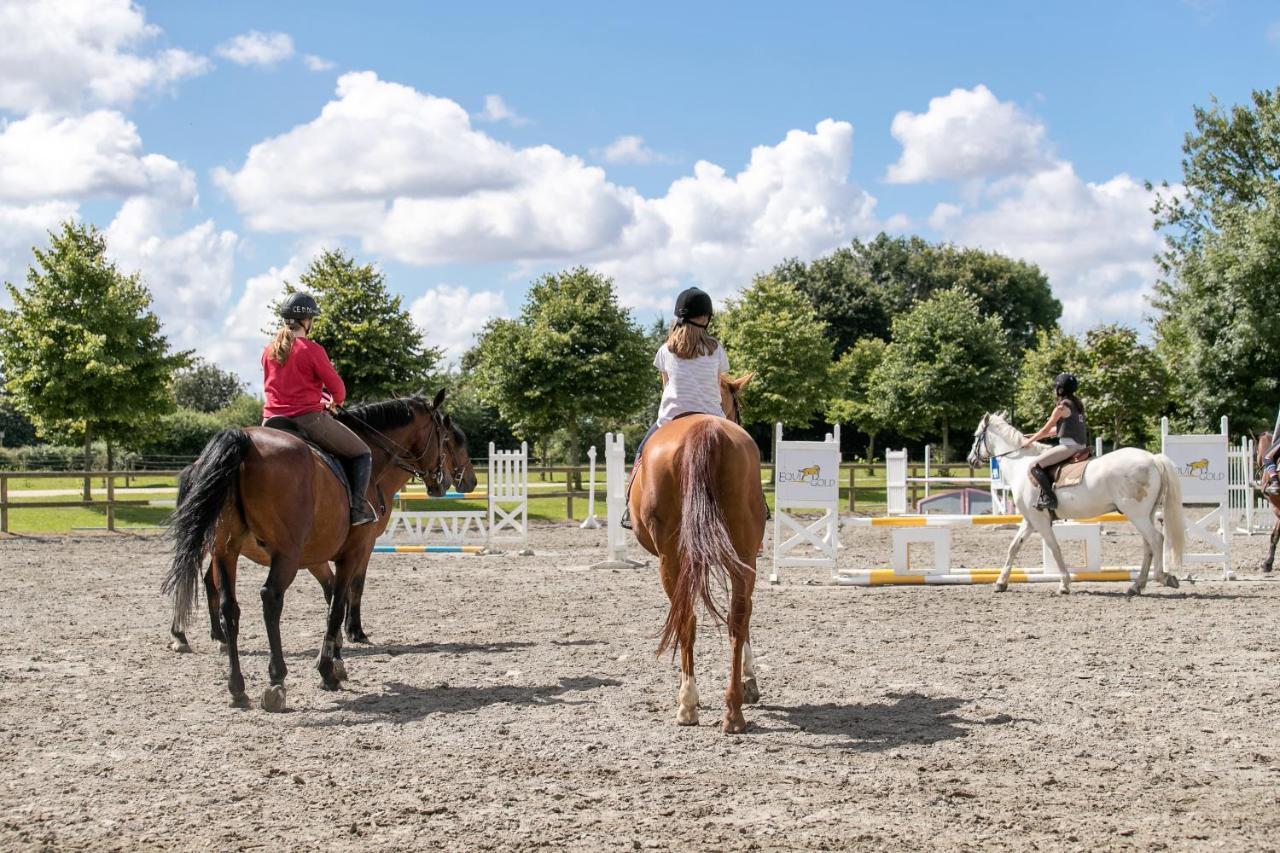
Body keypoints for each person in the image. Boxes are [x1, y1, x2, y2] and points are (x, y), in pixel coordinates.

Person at [261, 292, 377, 526]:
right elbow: (338, 389)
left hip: (270, 422)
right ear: (307, 321)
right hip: (306, 420)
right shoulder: (311, 350)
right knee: (362, 453)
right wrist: (335, 401)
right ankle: (357, 510)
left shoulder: (269, 351)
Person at [620, 286, 730, 530]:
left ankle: (629, 507)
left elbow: (666, 386)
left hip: (671, 419)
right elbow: (716, 386)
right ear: (707, 317)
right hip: (713, 417)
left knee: (641, 453)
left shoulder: (666, 350)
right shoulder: (716, 349)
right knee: (746, 451)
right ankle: (759, 505)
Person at [1021, 372, 1088, 511]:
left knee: (1034, 465)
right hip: (1080, 445)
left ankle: (1050, 498)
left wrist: (1028, 442)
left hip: (1069, 447)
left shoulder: (1062, 407)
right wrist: (1033, 436)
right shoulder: (1077, 405)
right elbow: (1058, 431)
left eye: (1056, 387)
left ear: (1060, 389)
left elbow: (1045, 430)